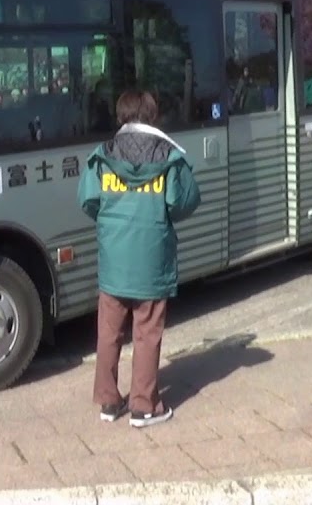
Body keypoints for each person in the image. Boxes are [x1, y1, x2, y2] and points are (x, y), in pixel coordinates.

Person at [78, 89, 200, 428]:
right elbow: (185, 201)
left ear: (121, 117)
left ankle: (108, 401)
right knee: (146, 331)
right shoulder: (168, 156)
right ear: (152, 116)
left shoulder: (103, 155)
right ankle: (144, 406)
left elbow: (87, 200)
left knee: (108, 331)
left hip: (114, 259)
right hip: (151, 258)